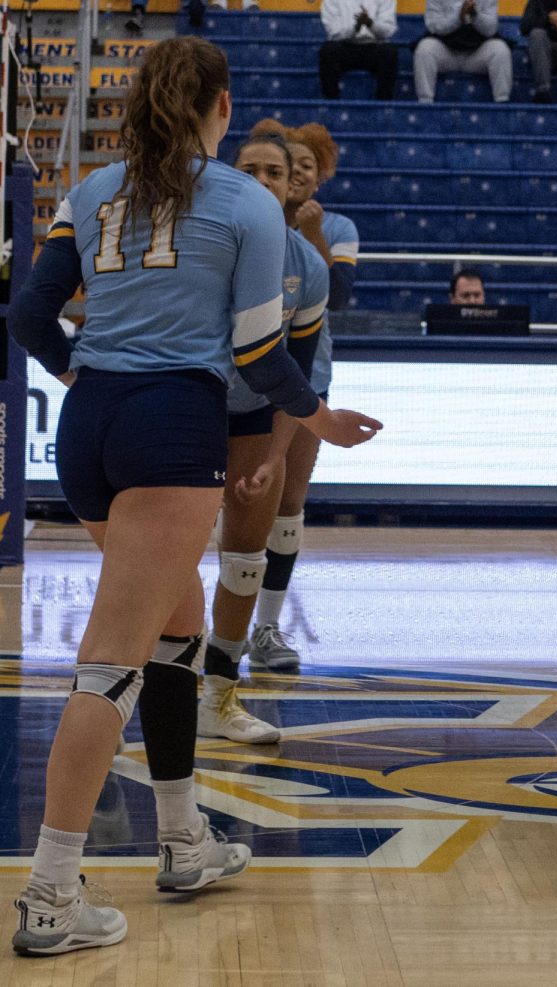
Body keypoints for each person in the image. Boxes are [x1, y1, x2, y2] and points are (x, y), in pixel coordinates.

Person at [6, 36, 380, 957]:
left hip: (86, 424)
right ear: (220, 106)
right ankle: (50, 894)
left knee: (178, 623)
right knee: (113, 661)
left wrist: (86, 371)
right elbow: (259, 354)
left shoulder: (94, 187)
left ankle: (184, 840)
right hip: (173, 425)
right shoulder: (249, 204)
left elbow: (24, 313)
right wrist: (319, 419)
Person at [196, 131, 331, 745]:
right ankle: (142, 686)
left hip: (255, 412)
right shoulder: (203, 243)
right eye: (248, 168)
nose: (261, 180)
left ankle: (219, 695)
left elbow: (294, 376)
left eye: (273, 172)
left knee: (246, 558)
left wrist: (275, 456)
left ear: (289, 184)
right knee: (167, 555)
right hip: (186, 406)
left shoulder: (307, 266)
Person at [239, 119, 361, 671]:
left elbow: (337, 296)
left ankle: (265, 628)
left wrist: (311, 235)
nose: (296, 177)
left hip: (306, 377)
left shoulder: (335, 226)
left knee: (287, 510)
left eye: (304, 168)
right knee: (228, 516)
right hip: (228, 387)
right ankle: (212, 628)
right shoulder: (233, 226)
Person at [414, 0, 513, 103]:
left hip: (476, 55)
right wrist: (458, 17)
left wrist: (475, 15)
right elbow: (434, 26)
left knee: (500, 49)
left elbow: (491, 29)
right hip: (446, 53)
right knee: (424, 48)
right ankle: (425, 103)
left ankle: (502, 103)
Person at [319, 0, 399, 101]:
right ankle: (331, 103)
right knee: (328, 50)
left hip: (374, 46)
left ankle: (384, 104)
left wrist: (371, 24)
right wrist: (355, 28)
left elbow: (388, 31)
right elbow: (333, 33)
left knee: (389, 52)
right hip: (344, 46)